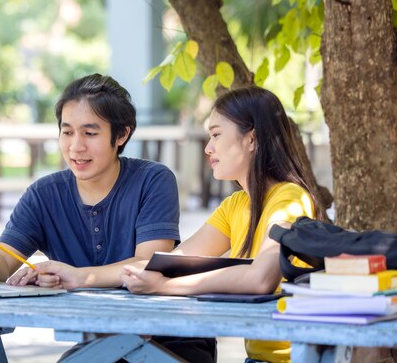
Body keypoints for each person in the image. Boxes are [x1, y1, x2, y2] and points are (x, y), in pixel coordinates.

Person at [0, 73, 216, 362]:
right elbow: (3, 263)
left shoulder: (153, 180)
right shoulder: (43, 195)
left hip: (170, 338)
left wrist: (77, 276)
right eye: (67, 132)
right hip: (101, 344)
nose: (76, 146)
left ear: (121, 135)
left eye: (90, 133)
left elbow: (148, 264)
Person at [122, 86, 327, 363]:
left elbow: (259, 279)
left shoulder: (290, 198)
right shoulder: (236, 205)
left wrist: (163, 287)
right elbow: (170, 262)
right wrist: (75, 276)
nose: (208, 148)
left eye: (216, 134)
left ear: (252, 139)